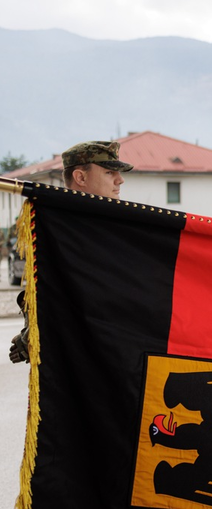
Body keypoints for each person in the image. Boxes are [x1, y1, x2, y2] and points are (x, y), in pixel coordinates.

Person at [8, 140, 133, 364]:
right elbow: (52, 294)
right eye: (108, 172)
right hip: (78, 361)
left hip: (116, 356)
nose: (120, 179)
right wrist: (32, 336)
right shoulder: (55, 229)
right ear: (80, 178)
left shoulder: (120, 227)